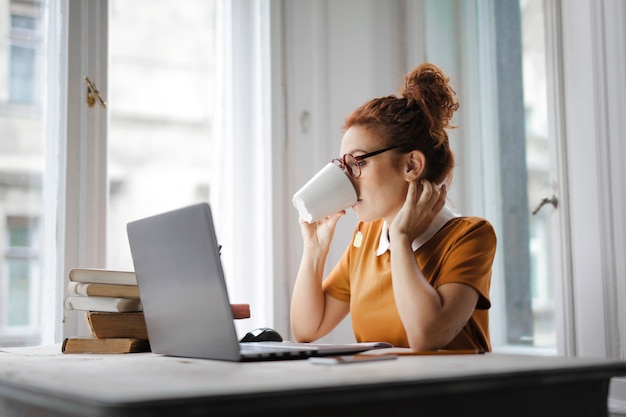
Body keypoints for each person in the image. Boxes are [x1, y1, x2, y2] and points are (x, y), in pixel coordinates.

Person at [290, 63, 497, 352]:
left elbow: (427, 337)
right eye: (343, 165)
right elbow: (306, 329)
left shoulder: (469, 236)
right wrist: (314, 249)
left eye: (357, 162)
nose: (345, 178)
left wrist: (401, 240)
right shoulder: (367, 236)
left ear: (411, 165)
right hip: (380, 393)